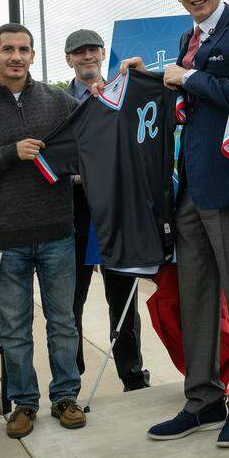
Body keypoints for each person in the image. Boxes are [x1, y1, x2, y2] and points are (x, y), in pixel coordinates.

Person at [125, 0, 229, 448]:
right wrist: (152, 76)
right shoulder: (186, 40)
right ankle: (202, 398)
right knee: (196, 295)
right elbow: (184, 103)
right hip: (188, 186)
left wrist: (187, 80)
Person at [0, 23, 86, 439]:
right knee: (14, 327)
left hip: (58, 232)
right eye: (7, 49)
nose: (16, 57)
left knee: (63, 321)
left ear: (32, 55)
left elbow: (86, 145)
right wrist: (10, 154)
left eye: (24, 49)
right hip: (7, 235)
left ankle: (65, 397)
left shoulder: (59, 102)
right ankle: (23, 404)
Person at [64, 29, 150, 392]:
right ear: (69, 59)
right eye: (78, 52)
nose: (87, 57)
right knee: (71, 302)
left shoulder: (123, 93)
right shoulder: (58, 102)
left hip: (117, 214)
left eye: (92, 50)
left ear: (102, 53)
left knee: (123, 299)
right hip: (75, 216)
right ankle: (72, 375)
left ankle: (131, 373)